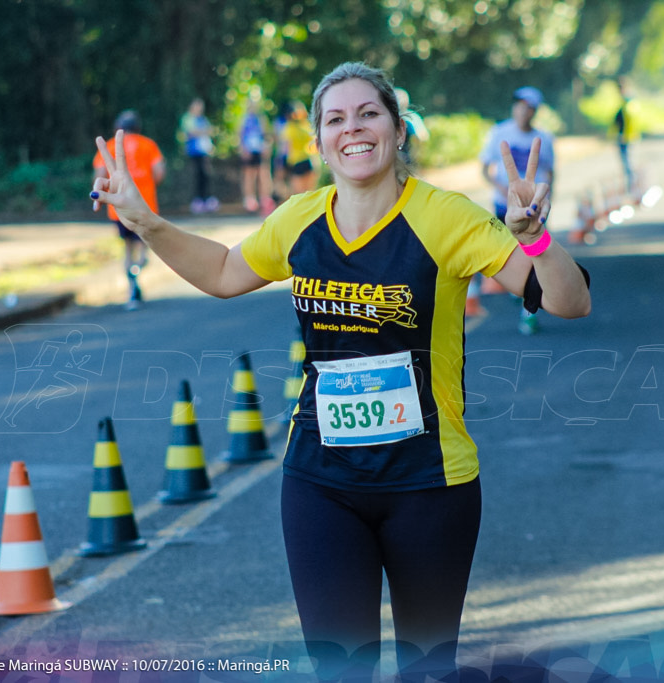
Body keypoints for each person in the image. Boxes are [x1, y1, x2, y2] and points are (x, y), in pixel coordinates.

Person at [90, 61, 590, 682]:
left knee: (428, 671)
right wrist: (145, 222)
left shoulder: (447, 218)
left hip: (430, 486)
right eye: (335, 119)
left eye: (368, 113)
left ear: (398, 130)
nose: (352, 128)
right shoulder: (300, 219)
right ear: (320, 143)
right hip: (321, 484)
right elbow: (222, 272)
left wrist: (537, 238)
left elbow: (570, 302)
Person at [480, 85, 556, 335]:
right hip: (504, 207)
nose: (522, 111)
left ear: (534, 111)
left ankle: (529, 313)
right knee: (510, 257)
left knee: (536, 260)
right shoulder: (499, 132)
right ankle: (518, 287)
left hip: (533, 211)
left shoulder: (544, 138)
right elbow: (484, 169)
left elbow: (551, 172)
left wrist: (544, 200)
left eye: (528, 107)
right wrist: (504, 189)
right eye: (519, 105)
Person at [93, 109, 165, 311]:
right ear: (138, 127)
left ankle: (132, 288)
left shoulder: (108, 146)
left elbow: (99, 175)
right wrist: (148, 184)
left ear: (118, 128)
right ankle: (136, 273)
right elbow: (159, 172)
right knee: (142, 250)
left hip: (119, 209)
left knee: (127, 249)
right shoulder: (148, 144)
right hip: (145, 206)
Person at [180, 98, 218, 214]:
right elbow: (191, 132)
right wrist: (203, 131)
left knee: (206, 175)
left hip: (204, 152)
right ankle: (197, 200)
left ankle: (206, 199)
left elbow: (209, 132)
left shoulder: (202, 119)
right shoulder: (188, 118)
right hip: (194, 153)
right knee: (197, 175)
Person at [238, 98, 275, 216]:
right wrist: (243, 148)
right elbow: (240, 135)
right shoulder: (244, 119)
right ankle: (249, 200)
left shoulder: (261, 119)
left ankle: (265, 200)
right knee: (249, 175)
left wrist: (267, 147)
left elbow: (267, 135)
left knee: (263, 174)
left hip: (259, 150)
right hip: (249, 150)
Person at [281, 100, 318, 196]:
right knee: (310, 192)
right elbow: (314, 143)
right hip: (308, 159)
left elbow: (286, 147)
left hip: (296, 161)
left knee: (299, 194)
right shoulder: (306, 126)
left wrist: (283, 163)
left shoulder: (289, 127)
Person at [395, 87, 430, 168]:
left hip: (404, 160)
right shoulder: (411, 117)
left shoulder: (411, 118)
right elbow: (423, 137)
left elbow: (422, 136)